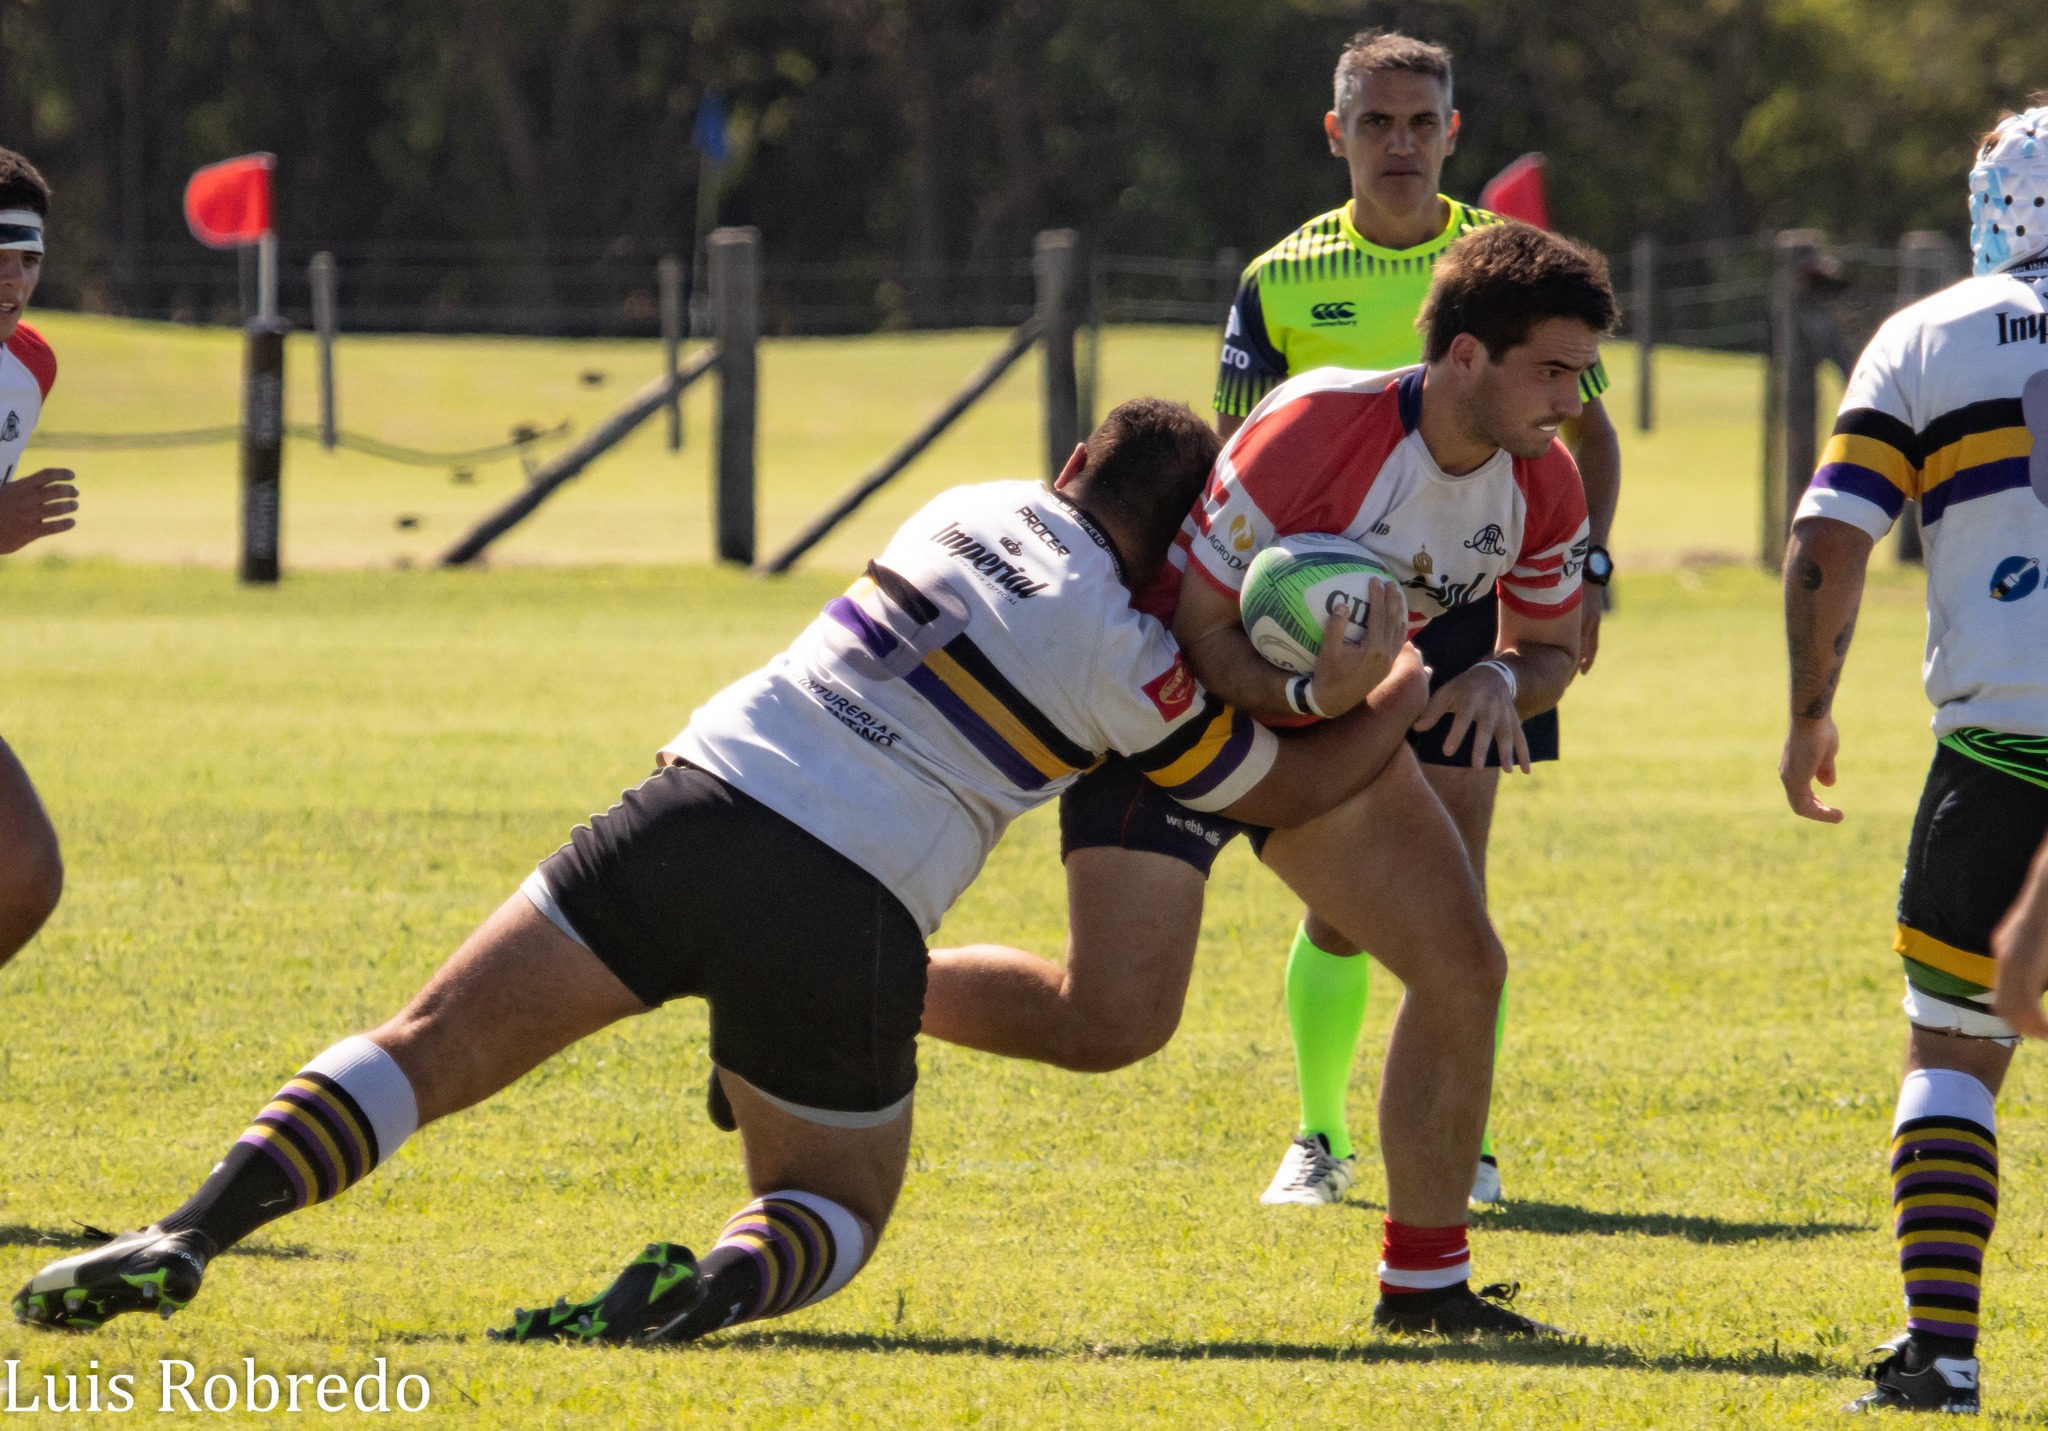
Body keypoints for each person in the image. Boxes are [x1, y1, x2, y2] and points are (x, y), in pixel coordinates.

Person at [13, 399, 1431, 1343]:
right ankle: (710, 1289)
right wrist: (1401, 679)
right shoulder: (1136, 673)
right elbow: (1298, 781)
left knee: (423, 1044)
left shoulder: (964, 503)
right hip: (851, 906)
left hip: (697, 801)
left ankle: (192, 1229)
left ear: (1070, 470)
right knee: (838, 1206)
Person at [927, 222, 1611, 1335]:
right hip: (1166, 718)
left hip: (1334, 730)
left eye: (1581, 374)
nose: (1568, 399)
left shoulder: (1545, 483)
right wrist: (1312, 701)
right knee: (1107, 1022)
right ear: (1465, 357)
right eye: (1549, 370)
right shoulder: (1315, 425)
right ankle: (836, 985)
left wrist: (1497, 677)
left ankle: (1426, 1287)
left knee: (1461, 966)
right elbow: (1194, 628)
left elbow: (1547, 646)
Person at [1213, 28, 1621, 1207]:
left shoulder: (1510, 268)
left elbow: (1577, 428)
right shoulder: (1277, 279)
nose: (1400, 142)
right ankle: (1318, 1135)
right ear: (1336, 134)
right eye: (1376, 122)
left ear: (1452, 132)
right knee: (1345, 903)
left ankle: (1459, 1137)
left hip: (1466, 608)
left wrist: (1581, 566)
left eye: (1421, 122)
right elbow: (1228, 448)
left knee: (1455, 884)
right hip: (1317, 616)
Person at [1778, 102, 2048, 1416]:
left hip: (2000, 741)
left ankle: (1940, 1350)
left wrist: (1808, 707)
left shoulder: (1928, 333)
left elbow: (1834, 539)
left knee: (1951, 1045)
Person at [0, 146, 76, 970]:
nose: (13, 281)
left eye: (28, 260)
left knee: (24, 872)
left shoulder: (29, 368)